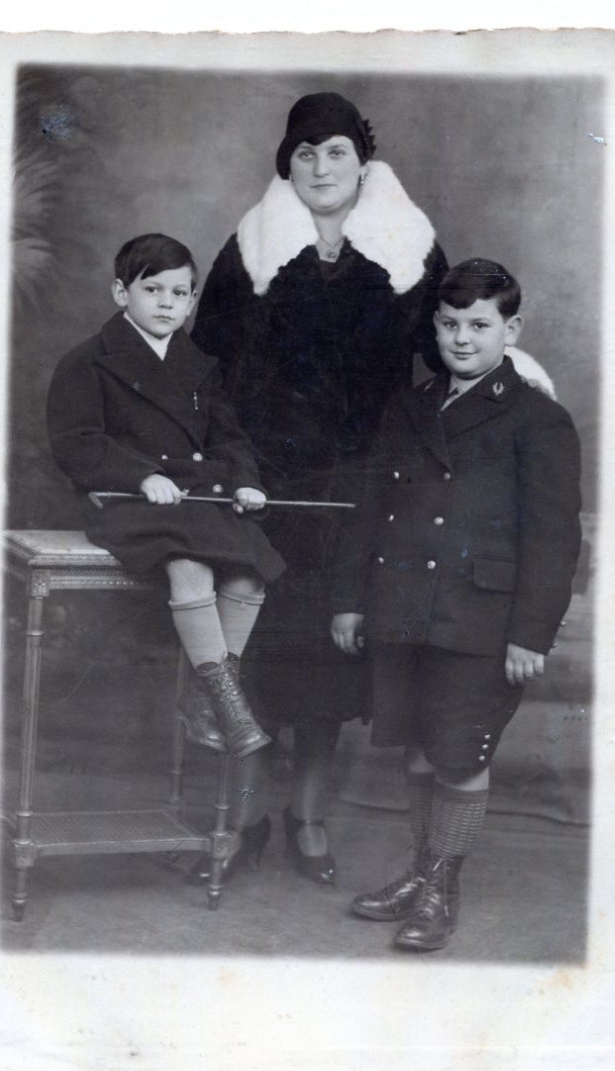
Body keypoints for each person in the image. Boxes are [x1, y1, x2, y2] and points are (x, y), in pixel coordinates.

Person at [191, 91, 449, 884]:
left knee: (328, 665)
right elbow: (208, 362)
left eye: (335, 150)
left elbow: (444, 362)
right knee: (253, 657)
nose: (320, 166)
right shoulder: (251, 249)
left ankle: (306, 816)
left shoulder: (411, 251)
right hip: (262, 488)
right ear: (287, 166)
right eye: (304, 153)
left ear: (361, 162)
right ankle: (241, 818)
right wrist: (226, 467)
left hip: (357, 486)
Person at [330, 258, 582, 951]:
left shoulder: (539, 419)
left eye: (478, 325)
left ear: (511, 327)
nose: (461, 339)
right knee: (415, 746)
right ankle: (420, 873)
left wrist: (530, 631)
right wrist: (351, 601)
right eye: (448, 324)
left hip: (481, 618)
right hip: (403, 604)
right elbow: (369, 510)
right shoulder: (409, 407)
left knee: (458, 752)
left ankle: (441, 887)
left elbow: (554, 538)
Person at [47, 232, 285, 768]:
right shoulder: (87, 361)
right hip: (128, 502)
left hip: (195, 500)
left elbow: (228, 437)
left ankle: (204, 698)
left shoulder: (198, 363)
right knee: (190, 568)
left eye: (180, 294)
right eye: (152, 289)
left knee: (249, 571)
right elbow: (76, 444)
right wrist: (140, 476)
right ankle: (229, 707)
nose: (166, 304)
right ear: (119, 292)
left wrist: (246, 479)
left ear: (192, 300)